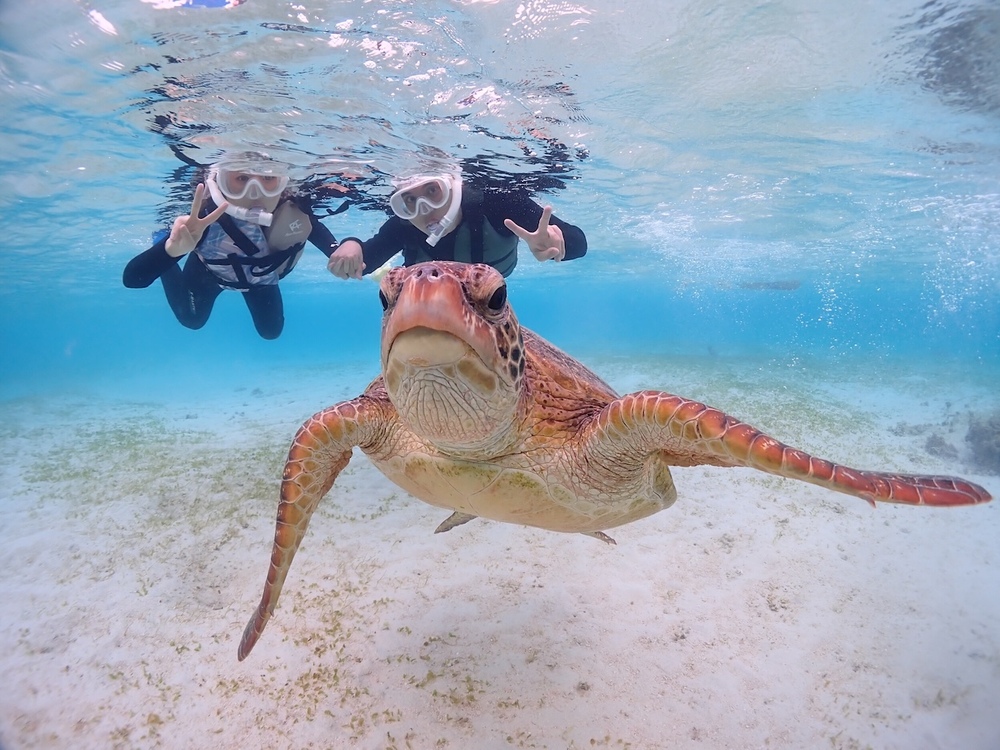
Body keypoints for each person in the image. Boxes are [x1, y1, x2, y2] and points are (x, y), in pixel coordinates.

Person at [123, 151, 342, 340]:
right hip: (209, 274)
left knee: (271, 332)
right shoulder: (204, 221)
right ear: (220, 182)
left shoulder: (291, 208)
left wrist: (344, 246)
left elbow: (319, 233)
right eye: (242, 178)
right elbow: (133, 279)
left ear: (281, 181)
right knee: (192, 319)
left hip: (259, 281)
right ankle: (162, 241)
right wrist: (171, 251)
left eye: (268, 178)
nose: (255, 192)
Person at [326, 169, 587, 280]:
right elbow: (365, 261)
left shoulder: (498, 203)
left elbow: (578, 243)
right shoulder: (404, 224)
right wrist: (351, 245)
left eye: (432, 191)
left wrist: (554, 243)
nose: (424, 210)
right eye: (409, 200)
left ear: (452, 186)